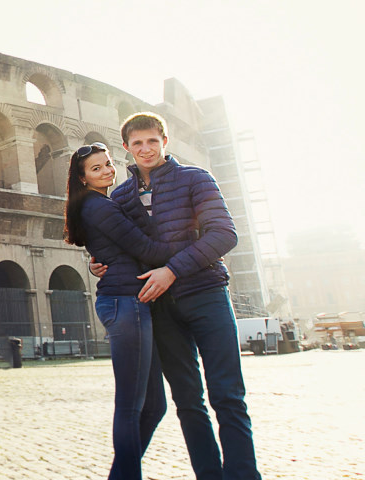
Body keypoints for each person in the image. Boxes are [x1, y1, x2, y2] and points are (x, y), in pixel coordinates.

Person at [93, 112, 260, 479]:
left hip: (207, 294)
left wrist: (173, 270)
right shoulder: (120, 197)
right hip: (160, 307)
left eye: (152, 141)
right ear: (126, 148)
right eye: (137, 143)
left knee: (228, 396)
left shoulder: (195, 179)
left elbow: (224, 235)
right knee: (187, 401)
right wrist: (100, 264)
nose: (146, 149)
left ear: (164, 141)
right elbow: (118, 247)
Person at [64, 142, 171, 479]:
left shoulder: (97, 204)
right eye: (96, 169)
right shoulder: (99, 208)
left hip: (131, 302)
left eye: (108, 163)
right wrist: (194, 249)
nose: (107, 171)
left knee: (154, 406)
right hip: (126, 304)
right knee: (131, 407)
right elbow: (146, 249)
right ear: (83, 179)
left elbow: (118, 248)